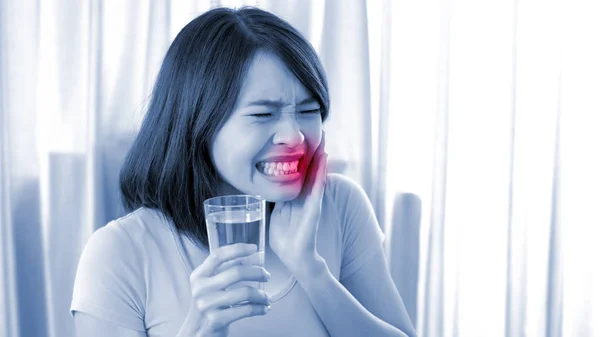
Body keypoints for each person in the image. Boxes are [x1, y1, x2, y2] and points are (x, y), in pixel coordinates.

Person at [70, 6, 417, 337]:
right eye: (263, 114)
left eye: (309, 110)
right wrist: (200, 329)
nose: (295, 136)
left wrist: (311, 269)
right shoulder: (121, 252)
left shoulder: (341, 206)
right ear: (198, 123)